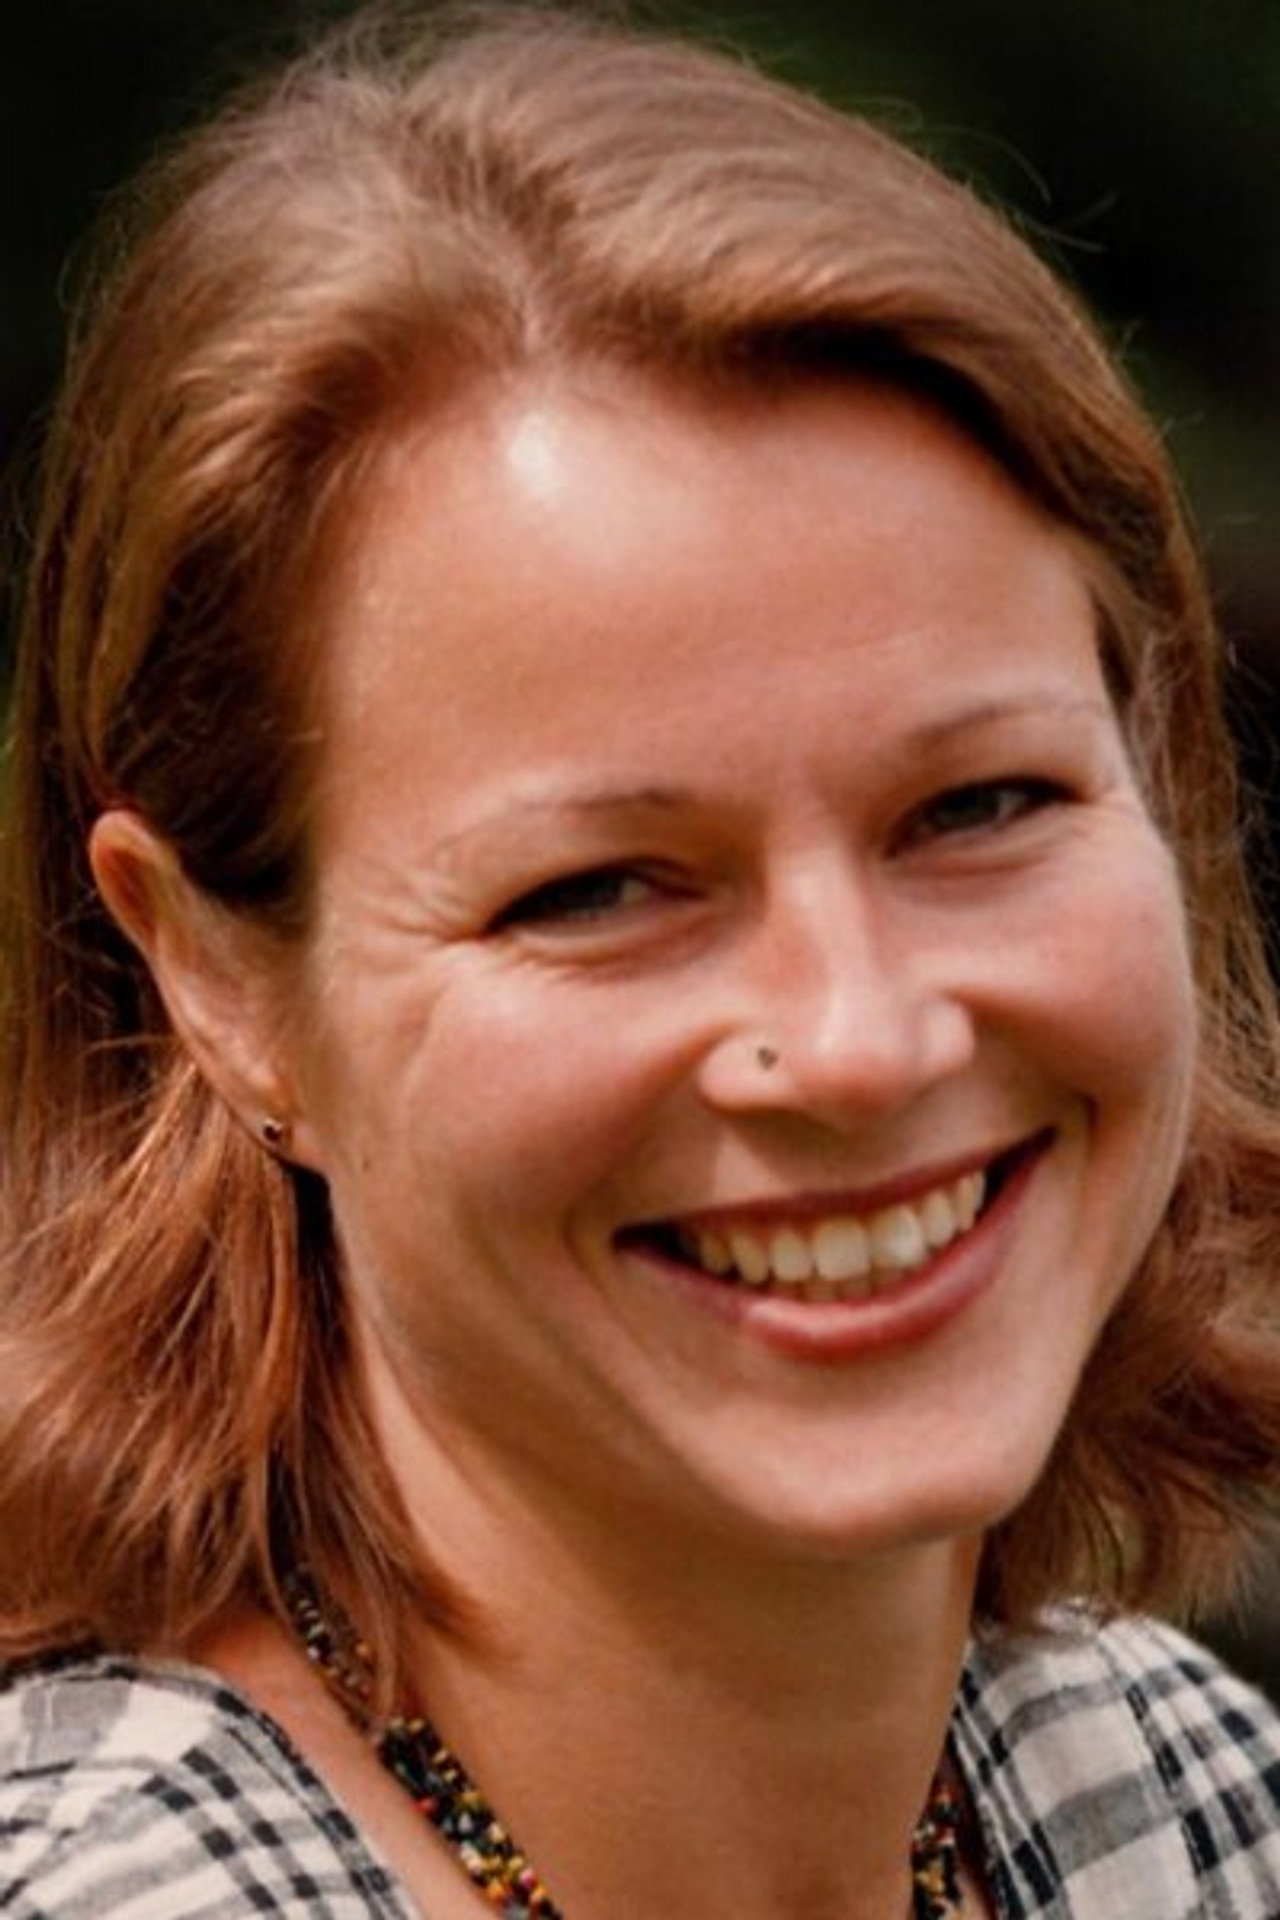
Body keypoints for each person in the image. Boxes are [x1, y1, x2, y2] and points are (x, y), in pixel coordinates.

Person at [3, 5, 1280, 1914]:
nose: (857, 1041)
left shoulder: (1177, 1803)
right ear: (220, 983)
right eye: (599, 890)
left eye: (980, 805)